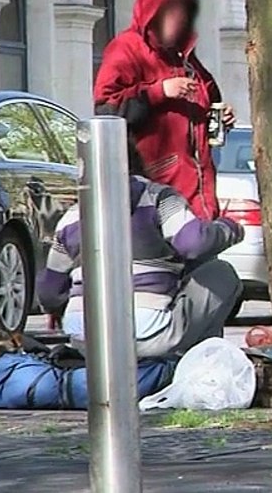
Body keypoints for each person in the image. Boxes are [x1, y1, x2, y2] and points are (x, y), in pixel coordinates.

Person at [36, 145, 244, 359]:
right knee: (221, 273)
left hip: (86, 342)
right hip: (149, 336)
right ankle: (198, 363)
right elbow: (193, 243)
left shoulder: (72, 217)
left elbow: (49, 293)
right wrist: (229, 228)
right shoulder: (157, 197)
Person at [94, 0, 234, 220]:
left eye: (183, 13)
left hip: (198, 197)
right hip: (155, 197)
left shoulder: (187, 58)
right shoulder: (126, 49)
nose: (178, 20)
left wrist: (224, 117)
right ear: (153, 12)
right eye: (171, 12)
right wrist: (158, 92)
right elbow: (106, 111)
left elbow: (210, 102)